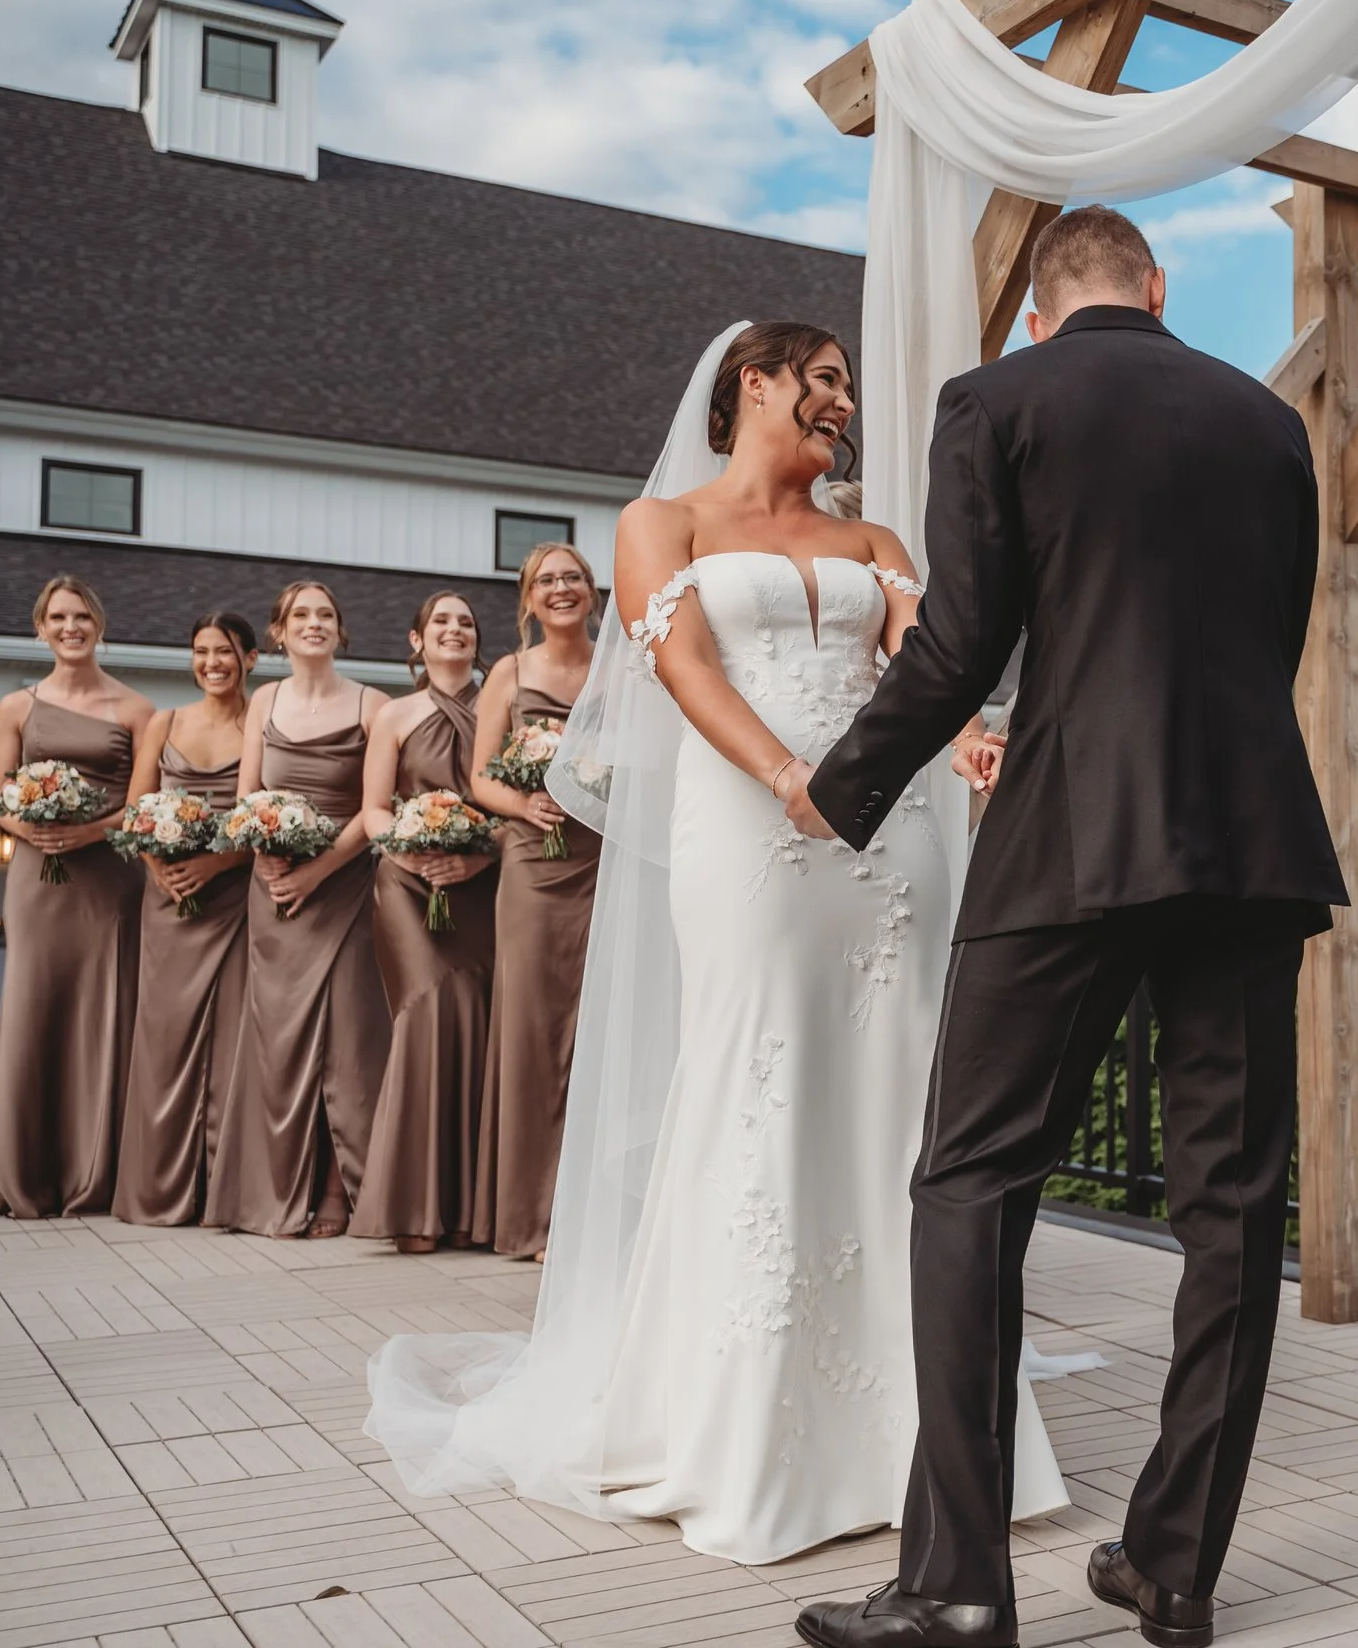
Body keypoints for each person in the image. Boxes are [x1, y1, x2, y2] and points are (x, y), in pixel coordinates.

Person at [362, 322, 1071, 1564]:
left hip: (886, 835)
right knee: (762, 1073)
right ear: (755, 381)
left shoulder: (874, 541)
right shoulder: (664, 528)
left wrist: (964, 745)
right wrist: (789, 773)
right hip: (747, 827)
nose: (843, 404)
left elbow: (926, 661)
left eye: (848, 388)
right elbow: (683, 665)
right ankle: (743, 1430)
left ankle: (927, 1435)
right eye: (827, 380)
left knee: (902, 1086)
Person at [789, 206, 1346, 1648]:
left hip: (1072, 842)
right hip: (1247, 840)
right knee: (1232, 1209)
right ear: (1156, 290)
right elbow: (1271, 630)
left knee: (971, 1182)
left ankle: (958, 1582)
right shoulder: (1264, 421)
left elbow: (964, 640)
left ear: (1041, 308)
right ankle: (1175, 1564)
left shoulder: (998, 399)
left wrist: (840, 780)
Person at [208, 583, 392, 1238]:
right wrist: (264, 856)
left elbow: (374, 813)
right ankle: (277, 1189)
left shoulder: (375, 705)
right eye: (301, 615)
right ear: (279, 633)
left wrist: (315, 871)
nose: (314, 624)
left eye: (326, 615)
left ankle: (344, 1194)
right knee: (279, 1045)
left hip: (343, 890)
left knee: (347, 1047)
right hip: (275, 894)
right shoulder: (265, 700)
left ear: (341, 633)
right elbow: (247, 793)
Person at [0, 575, 153, 1218]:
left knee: (103, 1011)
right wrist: (35, 828)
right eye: (58, 617)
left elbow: (139, 807)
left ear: (99, 625)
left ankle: (95, 1173)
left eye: (81, 616)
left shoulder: (137, 710)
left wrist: (85, 829)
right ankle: (25, 1174)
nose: (70, 626)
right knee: (33, 1006)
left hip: (108, 882)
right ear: (40, 628)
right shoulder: (16, 707)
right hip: (36, 880)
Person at [468, 544, 602, 1261]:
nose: (560, 588)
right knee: (529, 1028)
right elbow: (480, 777)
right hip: (531, 861)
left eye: (572, 577)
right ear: (528, 598)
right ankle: (528, 1218)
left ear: (591, 590)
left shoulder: (616, 673)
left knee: (593, 1030)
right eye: (546, 580)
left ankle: (587, 1213)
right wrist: (526, 800)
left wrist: (600, 786)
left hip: (600, 862)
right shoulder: (508, 674)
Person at [353, 593, 496, 1254]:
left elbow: (509, 799)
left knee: (482, 1021)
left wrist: (476, 855)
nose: (454, 630)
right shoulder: (395, 714)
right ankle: (412, 1205)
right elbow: (375, 810)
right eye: (441, 621)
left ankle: (471, 1206)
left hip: (486, 883)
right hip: (408, 887)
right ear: (417, 639)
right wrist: (415, 851)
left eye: (465, 622)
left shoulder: (500, 705)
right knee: (428, 1012)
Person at [113, 612, 260, 1226]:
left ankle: (220, 1191)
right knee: (165, 1040)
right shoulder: (163, 723)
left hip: (235, 897)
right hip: (169, 898)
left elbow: (271, 812)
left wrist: (217, 864)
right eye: (201, 652)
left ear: (250, 658)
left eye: (224, 651)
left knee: (231, 1042)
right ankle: (158, 1188)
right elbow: (134, 809)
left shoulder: (263, 721)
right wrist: (161, 867)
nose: (212, 663)